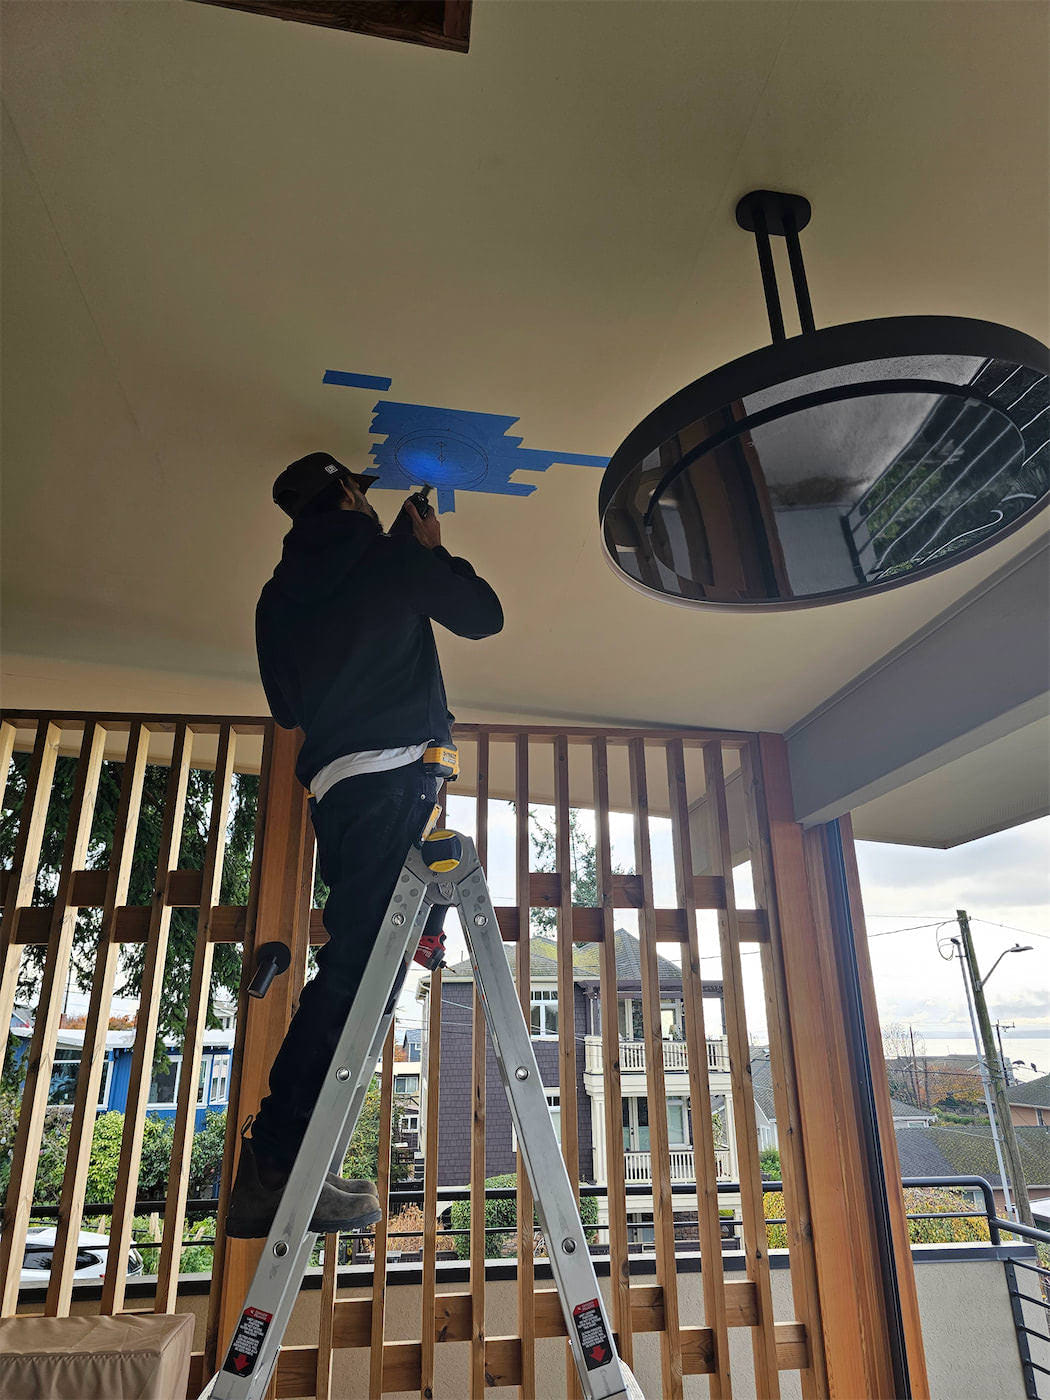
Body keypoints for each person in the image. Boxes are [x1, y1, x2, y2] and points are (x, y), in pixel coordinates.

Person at [225, 452, 503, 1238]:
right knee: (356, 973)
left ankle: (296, 1161)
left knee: (365, 969)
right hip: (395, 783)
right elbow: (483, 615)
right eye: (361, 491)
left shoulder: (276, 598)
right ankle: (276, 1164)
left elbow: (288, 708)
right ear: (349, 493)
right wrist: (430, 553)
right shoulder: (388, 559)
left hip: (340, 796)